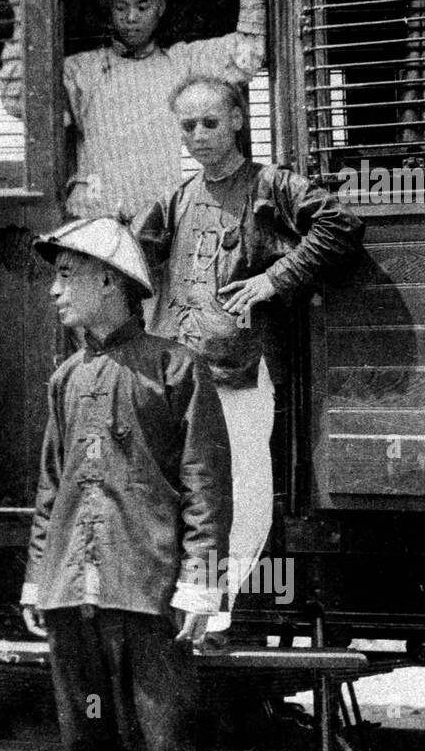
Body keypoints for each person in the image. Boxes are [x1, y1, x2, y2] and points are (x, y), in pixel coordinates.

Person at [21, 217, 242, 751]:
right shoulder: (65, 378)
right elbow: (53, 486)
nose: (55, 291)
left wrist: (200, 585)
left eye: (66, 276)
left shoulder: (176, 370)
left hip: (147, 596)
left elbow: (206, 484)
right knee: (86, 747)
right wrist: (36, 572)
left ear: (108, 281)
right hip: (70, 595)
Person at [137, 76, 365, 634]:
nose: (198, 136)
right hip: (179, 371)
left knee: (242, 487)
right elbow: (133, 259)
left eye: (210, 123)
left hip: (240, 370)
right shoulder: (176, 199)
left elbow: (341, 225)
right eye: (187, 125)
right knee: (183, 486)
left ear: (238, 119)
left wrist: (273, 279)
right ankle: (184, 602)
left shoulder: (272, 185)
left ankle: (221, 610)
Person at [0, 0, 267, 218]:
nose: (130, 17)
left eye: (142, 6)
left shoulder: (181, 63)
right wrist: (24, 20)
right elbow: (19, 101)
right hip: (93, 224)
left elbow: (248, 55)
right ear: (109, 8)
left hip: (158, 225)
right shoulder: (82, 69)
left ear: (161, 7)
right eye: (120, 7)